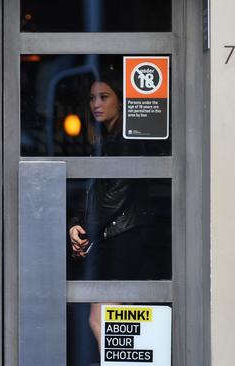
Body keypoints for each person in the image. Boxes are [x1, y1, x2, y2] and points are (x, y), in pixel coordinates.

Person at [68, 69, 166, 350]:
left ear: (121, 101)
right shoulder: (103, 141)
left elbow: (117, 192)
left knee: (112, 320)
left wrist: (85, 229)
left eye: (104, 97)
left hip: (125, 236)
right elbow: (92, 191)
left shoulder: (127, 138)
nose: (96, 104)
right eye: (92, 98)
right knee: (105, 319)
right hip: (111, 235)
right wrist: (76, 223)